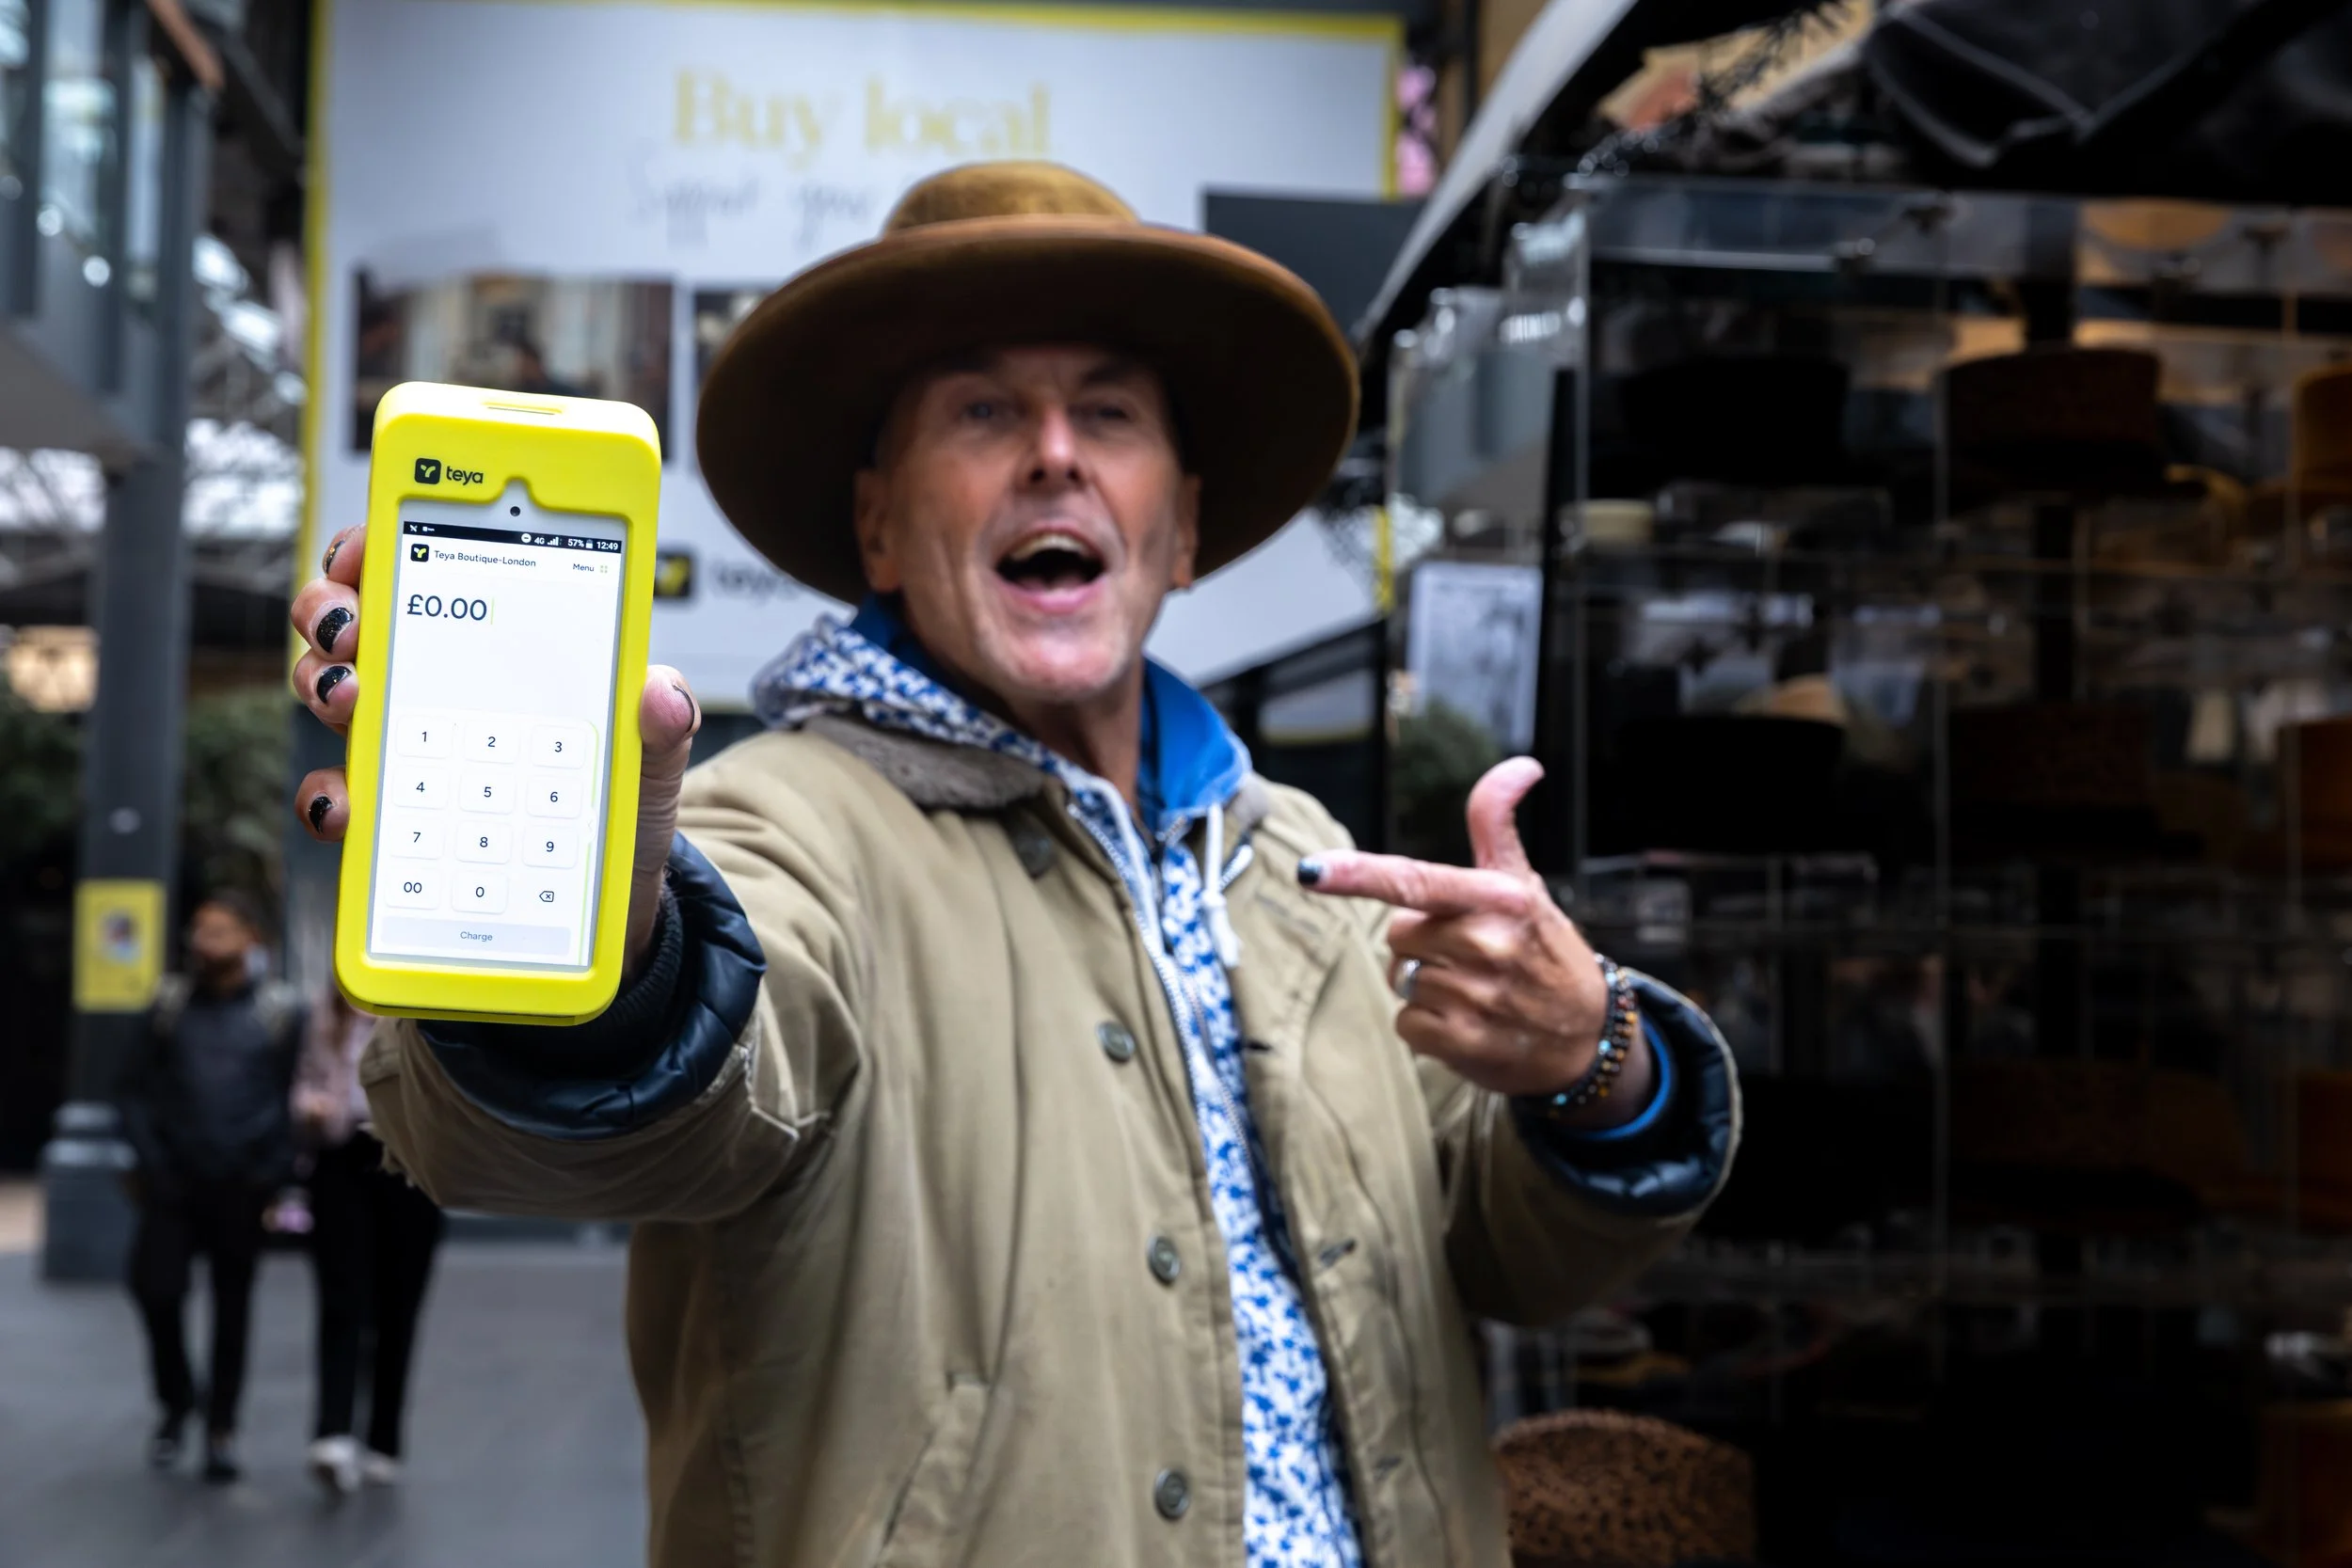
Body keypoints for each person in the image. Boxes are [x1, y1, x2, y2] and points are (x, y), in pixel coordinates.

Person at [287, 163, 1740, 1566]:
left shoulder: (1307, 860)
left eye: (1108, 412)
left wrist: (1591, 1062)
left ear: (1178, 528)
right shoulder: (784, 826)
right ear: (878, 525)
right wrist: (612, 961)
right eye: (984, 409)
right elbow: (689, 1074)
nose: (1055, 450)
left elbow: (1506, 1253)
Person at [116, 890, 304, 1484]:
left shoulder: (277, 1013)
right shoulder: (168, 1005)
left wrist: (272, 1172)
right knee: (155, 1289)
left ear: (252, 941)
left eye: (220, 931)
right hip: (173, 1179)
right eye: (199, 929)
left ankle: (222, 1428)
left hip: (242, 1183)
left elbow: (288, 1096)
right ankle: (178, 1400)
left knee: (233, 1307)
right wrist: (150, 1158)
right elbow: (132, 1088)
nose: (205, 941)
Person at [294, 988, 445, 1496]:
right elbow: (305, 1078)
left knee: (398, 1306)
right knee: (341, 1298)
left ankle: (383, 1438)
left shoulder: (427, 1006)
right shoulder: (326, 1007)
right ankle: (332, 1431)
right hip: (341, 1156)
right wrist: (309, 1106)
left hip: (411, 1161)